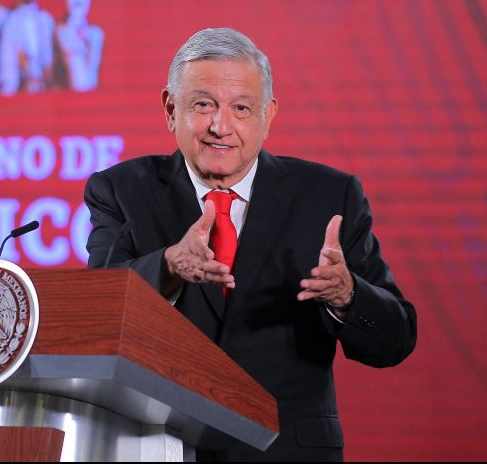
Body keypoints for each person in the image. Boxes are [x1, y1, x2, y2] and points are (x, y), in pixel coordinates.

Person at [84, 28, 417, 462]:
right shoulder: (121, 190)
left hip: (288, 450)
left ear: (268, 114)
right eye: (203, 105)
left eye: (240, 108)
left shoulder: (329, 196)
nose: (220, 126)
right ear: (170, 108)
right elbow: (100, 313)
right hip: (160, 448)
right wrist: (166, 267)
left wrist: (348, 296)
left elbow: (396, 340)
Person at [0, 0, 55, 95]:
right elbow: (7, 68)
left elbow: (49, 60)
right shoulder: (9, 22)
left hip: (45, 90)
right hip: (18, 92)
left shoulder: (46, 20)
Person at [54, 0, 104, 92]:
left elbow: (91, 82)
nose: (79, 0)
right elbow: (79, 83)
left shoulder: (96, 34)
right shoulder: (58, 32)